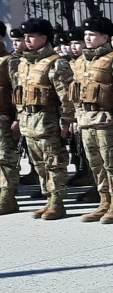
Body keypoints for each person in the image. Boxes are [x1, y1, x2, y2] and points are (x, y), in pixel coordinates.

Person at [71, 15, 113, 224]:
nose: (87, 38)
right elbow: (75, 93)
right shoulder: (78, 62)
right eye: (85, 34)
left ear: (104, 36)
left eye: (92, 35)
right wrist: (76, 118)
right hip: (86, 120)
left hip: (106, 119)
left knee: (112, 163)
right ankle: (104, 201)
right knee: (95, 165)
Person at [14, 18, 74, 220]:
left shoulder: (56, 63)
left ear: (44, 38)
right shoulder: (23, 63)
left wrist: (65, 122)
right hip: (28, 122)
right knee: (39, 165)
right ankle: (48, 200)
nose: (27, 40)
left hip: (48, 122)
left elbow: (66, 97)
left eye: (31, 36)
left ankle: (58, 203)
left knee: (54, 163)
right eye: (25, 37)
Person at [0, 22, 19, 214]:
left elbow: (18, 92)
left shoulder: (9, 61)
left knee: (5, 159)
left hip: (3, 117)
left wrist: (18, 118)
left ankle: (7, 197)